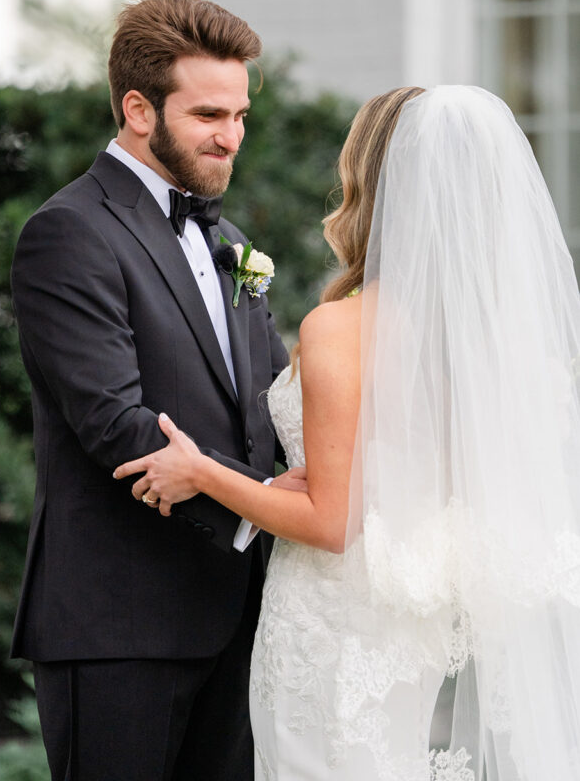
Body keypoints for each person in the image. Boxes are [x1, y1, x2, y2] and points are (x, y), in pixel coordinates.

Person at [116, 85, 580, 781]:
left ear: (371, 180)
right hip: (409, 623)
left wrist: (205, 472)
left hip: (333, 623)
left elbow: (332, 522)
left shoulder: (342, 329)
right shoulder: (502, 344)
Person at [10, 0, 296, 781]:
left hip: (238, 619)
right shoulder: (68, 232)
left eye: (238, 115)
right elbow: (114, 423)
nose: (230, 136)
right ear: (139, 109)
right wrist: (260, 507)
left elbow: (275, 405)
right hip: (118, 625)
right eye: (208, 114)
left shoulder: (230, 241)